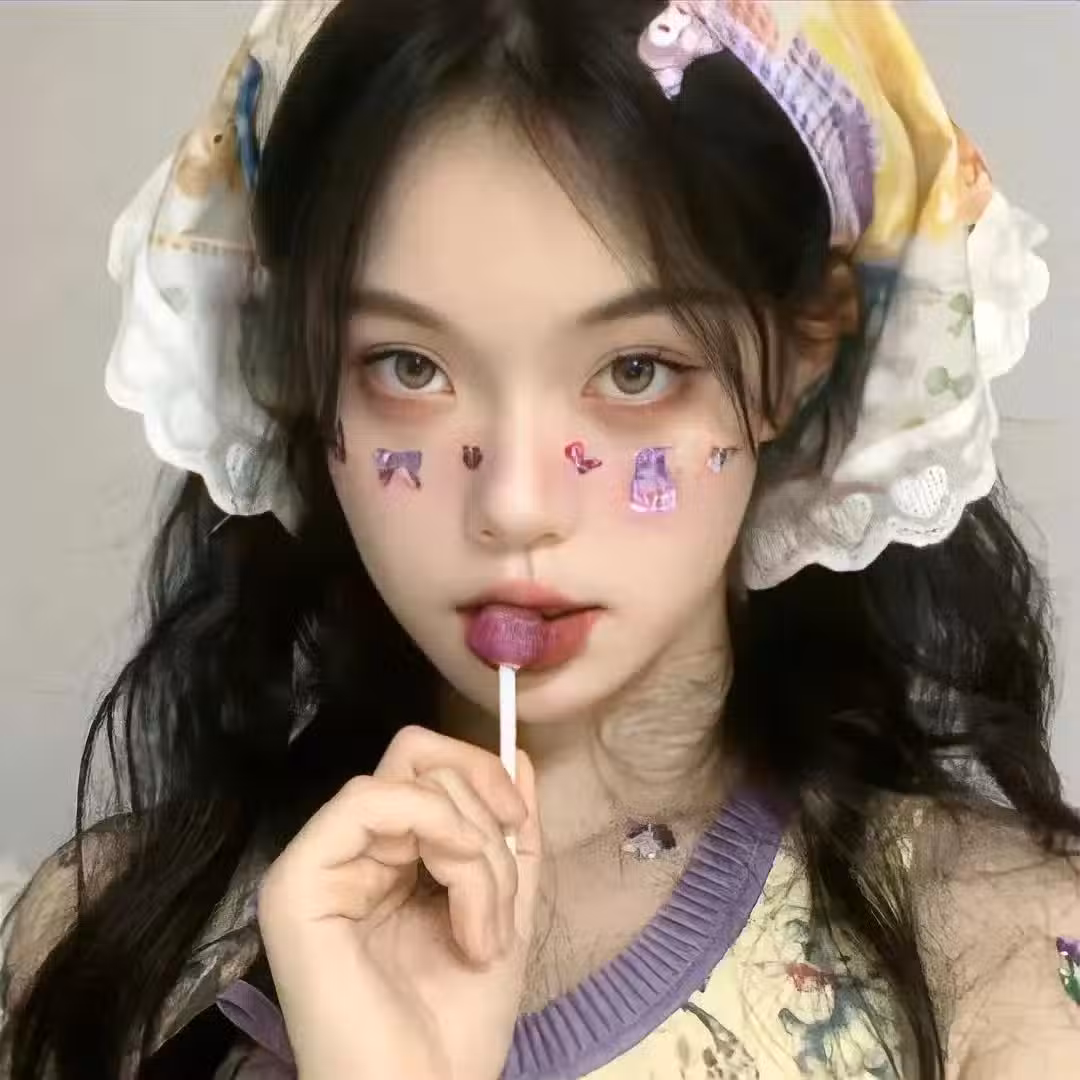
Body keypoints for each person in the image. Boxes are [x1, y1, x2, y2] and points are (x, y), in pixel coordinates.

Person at [1, 0, 1077, 1076]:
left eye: (636, 371)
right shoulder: (98, 951)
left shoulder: (1001, 959)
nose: (515, 504)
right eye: (409, 367)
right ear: (304, 370)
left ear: (800, 354)